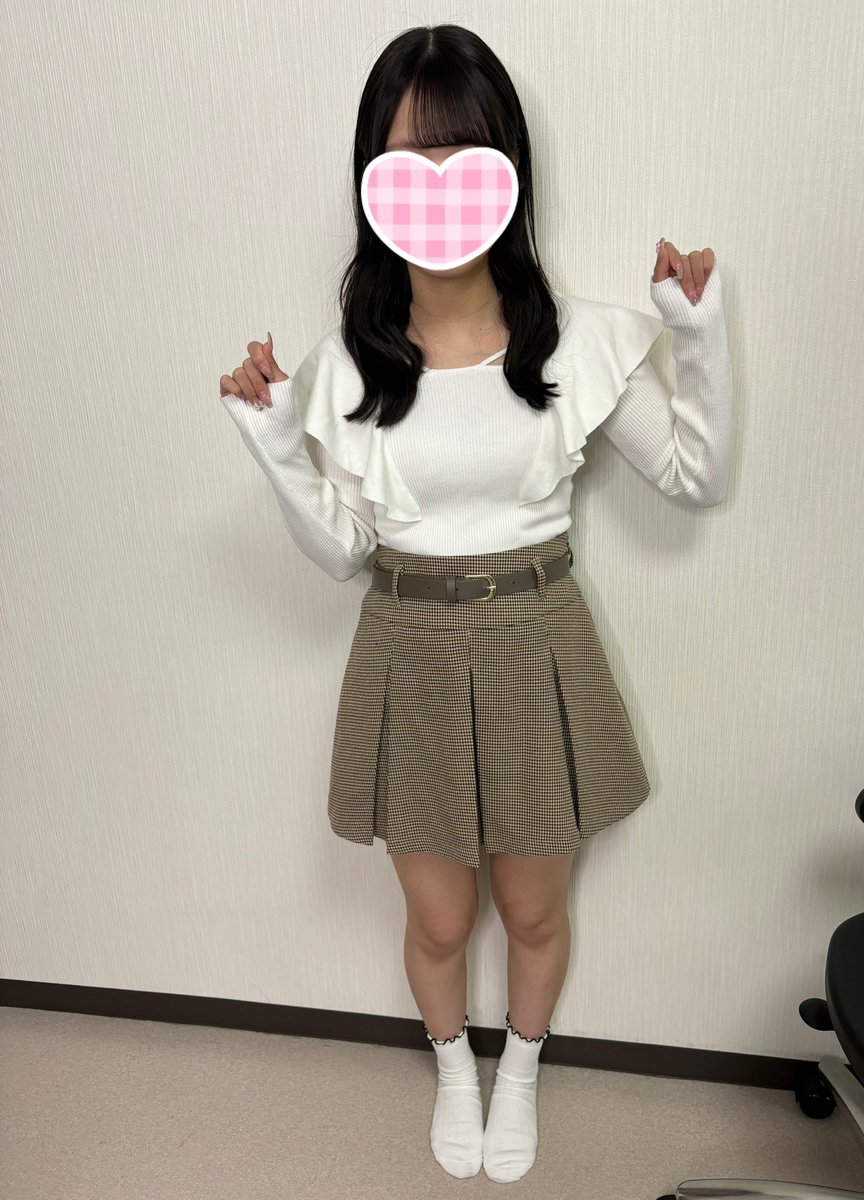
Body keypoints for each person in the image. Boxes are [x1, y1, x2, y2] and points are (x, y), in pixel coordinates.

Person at [217, 23, 733, 1186]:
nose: (440, 187)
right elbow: (344, 555)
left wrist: (694, 334)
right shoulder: (346, 366)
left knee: (535, 912)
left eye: (465, 156)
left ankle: (523, 1071)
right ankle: (455, 1067)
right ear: (371, 181)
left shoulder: (579, 343)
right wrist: (273, 442)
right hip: (407, 643)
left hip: (538, 639)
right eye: (411, 161)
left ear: (509, 172)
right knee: (442, 921)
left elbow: (696, 477)